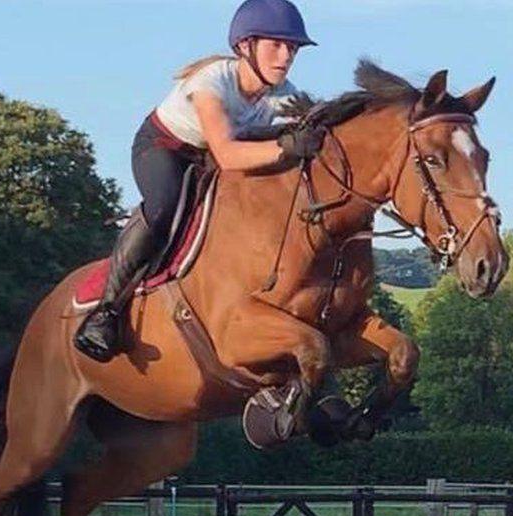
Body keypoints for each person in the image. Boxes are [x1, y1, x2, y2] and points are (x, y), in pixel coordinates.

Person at [74, 0, 327, 362]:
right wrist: (286, 149)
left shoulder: (283, 93)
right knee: (165, 208)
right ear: (245, 46)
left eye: (292, 48)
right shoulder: (212, 82)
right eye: (276, 44)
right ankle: (106, 313)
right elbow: (228, 155)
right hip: (165, 148)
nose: (286, 56)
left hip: (212, 159)